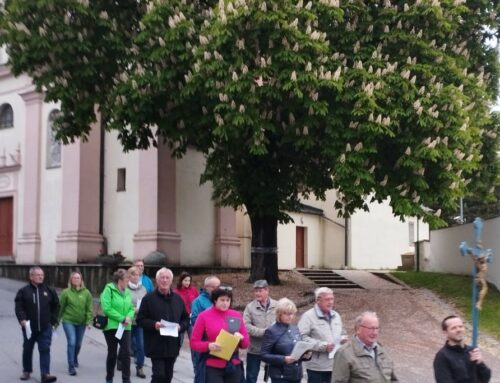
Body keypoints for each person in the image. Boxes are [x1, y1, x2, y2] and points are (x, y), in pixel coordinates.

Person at [136, 267, 189, 383]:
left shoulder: (178, 299)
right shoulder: (148, 299)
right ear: (157, 280)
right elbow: (140, 320)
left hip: (172, 345)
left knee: (168, 376)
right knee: (159, 375)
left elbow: (186, 319)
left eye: (167, 278)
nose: (164, 280)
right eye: (162, 278)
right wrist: (154, 324)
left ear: (171, 281)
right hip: (156, 344)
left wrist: (181, 327)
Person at [191, 286, 250, 383]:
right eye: (222, 300)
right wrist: (208, 345)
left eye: (228, 300)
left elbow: (245, 344)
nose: (225, 303)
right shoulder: (203, 316)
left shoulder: (236, 315)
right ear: (215, 300)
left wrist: (241, 338)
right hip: (212, 364)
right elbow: (194, 342)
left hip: (233, 364)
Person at [15, 266, 59, 383]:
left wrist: (52, 321)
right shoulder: (23, 291)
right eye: (38, 275)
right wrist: (22, 319)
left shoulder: (49, 290)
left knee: (45, 349)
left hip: (45, 327)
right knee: (28, 349)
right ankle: (27, 371)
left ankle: (45, 374)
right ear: (31, 276)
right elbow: (19, 307)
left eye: (42, 275)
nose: (41, 277)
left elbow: (56, 306)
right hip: (29, 327)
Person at [332, 311, 398, 383]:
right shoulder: (344, 353)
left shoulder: (382, 351)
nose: (375, 332)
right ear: (358, 329)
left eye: (377, 328)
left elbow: (393, 379)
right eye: (371, 328)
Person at [298, 287, 343, 383]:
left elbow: (342, 332)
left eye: (332, 299)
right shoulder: (308, 316)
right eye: (327, 299)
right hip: (317, 367)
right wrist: (322, 346)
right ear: (318, 300)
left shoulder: (336, 316)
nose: (330, 302)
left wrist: (343, 339)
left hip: (335, 366)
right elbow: (301, 338)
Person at [261, 298, 311, 383]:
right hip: (280, 377)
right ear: (279, 314)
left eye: (292, 314)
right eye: (286, 314)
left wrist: (306, 355)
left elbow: (298, 351)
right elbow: (264, 355)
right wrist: (283, 359)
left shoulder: (295, 328)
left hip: (296, 375)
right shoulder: (271, 331)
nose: (290, 316)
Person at [100, 268, 135, 383]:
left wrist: (129, 316)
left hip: (125, 327)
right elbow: (107, 308)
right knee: (112, 353)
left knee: (126, 353)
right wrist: (122, 318)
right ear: (120, 280)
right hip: (112, 326)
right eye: (127, 279)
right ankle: (109, 378)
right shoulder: (108, 289)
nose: (128, 281)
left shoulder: (128, 292)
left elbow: (131, 308)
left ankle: (126, 380)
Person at [433, 315, 491, 383]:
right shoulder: (442, 356)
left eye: (460, 326)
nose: (458, 330)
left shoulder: (471, 351)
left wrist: (480, 363)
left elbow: (485, 378)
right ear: (445, 333)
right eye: (453, 328)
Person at [58, 271, 93, 376]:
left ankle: (74, 357)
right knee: (72, 342)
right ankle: (71, 366)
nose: (76, 280)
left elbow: (89, 308)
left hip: (81, 322)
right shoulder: (66, 292)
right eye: (74, 278)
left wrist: (89, 321)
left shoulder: (86, 293)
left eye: (78, 278)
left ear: (81, 280)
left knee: (78, 344)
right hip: (68, 321)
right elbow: (61, 308)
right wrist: (56, 321)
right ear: (71, 280)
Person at [243, 279, 277, 383]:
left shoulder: (277, 305)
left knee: (275, 377)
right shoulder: (250, 307)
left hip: (273, 348)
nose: (257, 293)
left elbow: (283, 322)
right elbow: (246, 326)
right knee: (251, 377)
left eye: (260, 290)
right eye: (255, 291)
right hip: (255, 348)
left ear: (267, 290)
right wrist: (263, 332)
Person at [191, 275, 221, 382]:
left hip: (220, 343)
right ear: (206, 287)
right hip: (204, 342)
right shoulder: (197, 302)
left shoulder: (221, 300)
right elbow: (194, 320)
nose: (217, 289)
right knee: (202, 373)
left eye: (219, 286)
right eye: (214, 287)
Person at [127, 266, 148, 379]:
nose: (136, 277)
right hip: (127, 320)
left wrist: (143, 310)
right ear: (129, 276)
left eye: (138, 275)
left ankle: (139, 366)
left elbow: (146, 303)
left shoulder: (143, 289)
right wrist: (133, 309)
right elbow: (122, 303)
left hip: (139, 321)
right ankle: (121, 359)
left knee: (140, 345)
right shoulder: (124, 289)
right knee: (126, 344)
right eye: (133, 274)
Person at [173, 271, 199, 344]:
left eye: (189, 280)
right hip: (181, 319)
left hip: (191, 318)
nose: (187, 282)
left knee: (193, 340)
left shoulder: (194, 290)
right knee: (179, 341)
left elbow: (197, 303)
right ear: (181, 281)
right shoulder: (175, 292)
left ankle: (194, 355)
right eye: (185, 280)